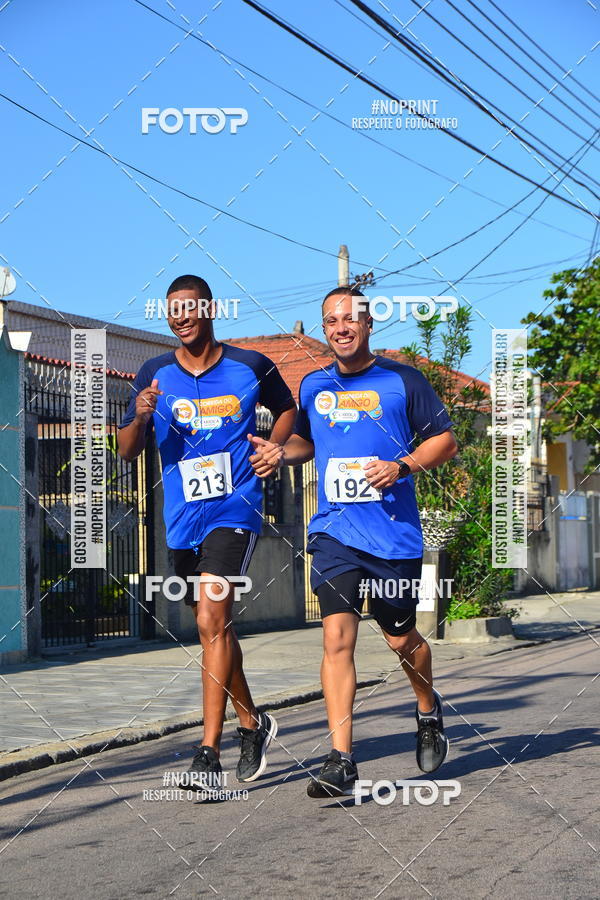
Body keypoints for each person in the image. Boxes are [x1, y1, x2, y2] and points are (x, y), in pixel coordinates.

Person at [249, 286, 458, 797]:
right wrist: (279, 451)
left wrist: (401, 465)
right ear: (324, 330)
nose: (340, 328)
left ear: (368, 324)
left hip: (392, 537)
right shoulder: (315, 385)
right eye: (331, 321)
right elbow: (306, 443)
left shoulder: (402, 381)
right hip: (334, 531)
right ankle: (342, 759)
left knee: (400, 640)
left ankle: (428, 711)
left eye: (349, 319)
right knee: (336, 638)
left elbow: (446, 440)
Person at [118, 274, 296, 784]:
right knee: (215, 629)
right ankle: (252, 724)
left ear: (209, 309)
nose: (181, 316)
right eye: (172, 309)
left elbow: (286, 409)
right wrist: (138, 415)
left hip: (234, 510)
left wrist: (273, 447)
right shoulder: (153, 374)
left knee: (210, 620)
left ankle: (207, 752)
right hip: (181, 521)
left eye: (189, 307)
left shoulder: (250, 366)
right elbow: (127, 449)